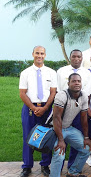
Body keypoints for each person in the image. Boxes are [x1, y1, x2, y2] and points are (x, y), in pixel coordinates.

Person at [19, 46, 57, 177]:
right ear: (32, 54)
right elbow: (22, 93)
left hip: (46, 108)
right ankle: (27, 166)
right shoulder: (25, 73)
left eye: (42, 53)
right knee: (28, 137)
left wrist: (46, 107)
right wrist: (34, 108)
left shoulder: (51, 72)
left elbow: (53, 92)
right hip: (30, 109)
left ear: (45, 55)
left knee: (47, 136)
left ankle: (45, 165)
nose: (39, 56)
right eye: (37, 53)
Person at [50, 73, 91, 177]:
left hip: (68, 128)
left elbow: (84, 118)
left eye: (79, 81)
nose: (76, 83)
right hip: (55, 129)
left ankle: (73, 172)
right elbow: (56, 118)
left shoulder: (84, 96)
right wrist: (61, 140)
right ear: (68, 83)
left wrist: (86, 137)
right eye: (74, 81)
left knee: (86, 148)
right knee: (59, 153)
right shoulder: (62, 95)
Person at [57, 49, 91, 168]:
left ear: (82, 58)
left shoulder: (87, 73)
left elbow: (87, 91)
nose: (76, 59)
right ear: (70, 58)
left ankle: (72, 167)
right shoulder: (61, 71)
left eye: (79, 57)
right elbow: (58, 89)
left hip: (80, 109)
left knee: (77, 140)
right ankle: (59, 167)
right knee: (61, 140)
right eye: (74, 57)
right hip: (64, 109)